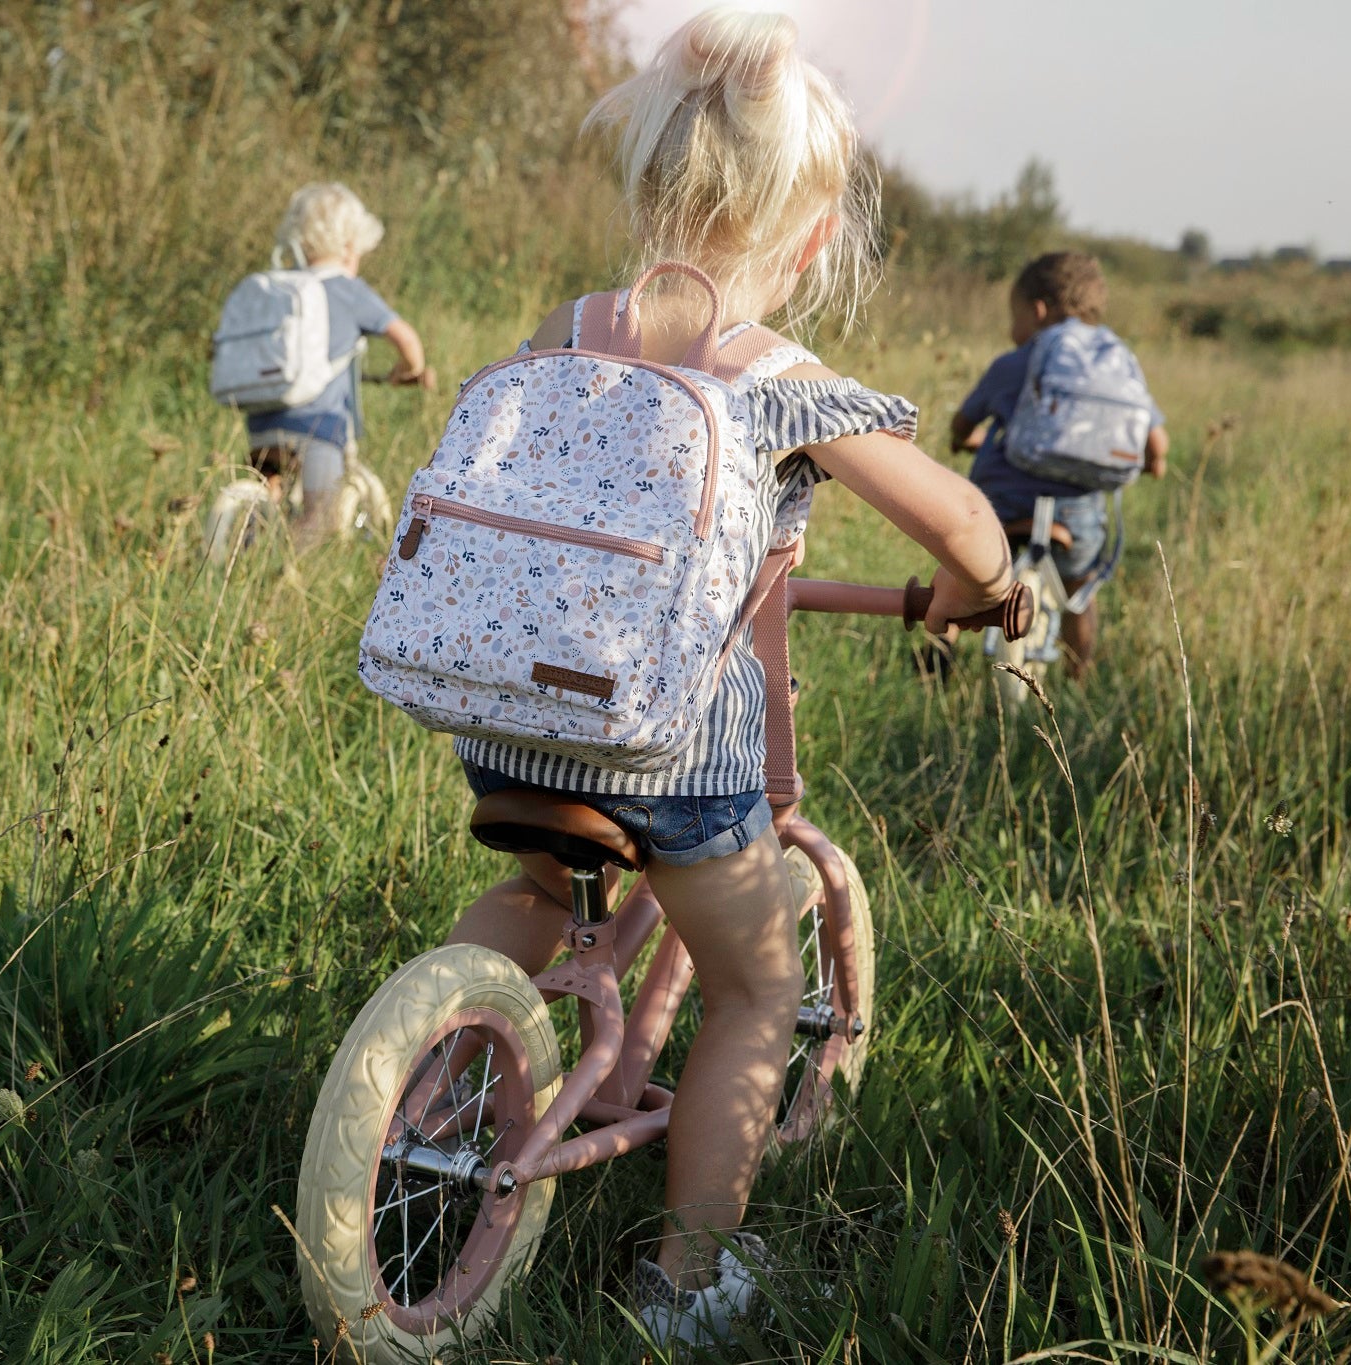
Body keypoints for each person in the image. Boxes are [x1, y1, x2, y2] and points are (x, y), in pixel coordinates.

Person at [436, 10, 1012, 1348]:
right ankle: (690, 1284)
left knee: (536, 890)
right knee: (754, 985)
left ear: (645, 190)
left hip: (514, 722)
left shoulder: (565, 328)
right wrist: (990, 590)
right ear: (814, 237)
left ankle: (432, 1065)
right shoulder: (774, 376)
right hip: (681, 763)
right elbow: (964, 526)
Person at [951, 251, 1170, 676]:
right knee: (1079, 595)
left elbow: (963, 423)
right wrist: (1152, 464)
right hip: (1078, 513)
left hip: (1003, 502)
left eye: (1013, 318)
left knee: (962, 572)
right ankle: (1078, 677)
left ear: (1037, 311)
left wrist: (962, 440)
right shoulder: (1116, 364)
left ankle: (941, 644)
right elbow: (1157, 444)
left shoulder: (1013, 364)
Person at [245, 182, 434, 545]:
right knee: (321, 516)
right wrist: (409, 369)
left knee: (270, 490)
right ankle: (280, 578)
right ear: (350, 246)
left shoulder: (284, 287)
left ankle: (245, 536)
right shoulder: (348, 289)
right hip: (318, 427)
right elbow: (406, 338)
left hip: (263, 418)